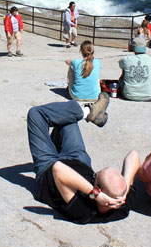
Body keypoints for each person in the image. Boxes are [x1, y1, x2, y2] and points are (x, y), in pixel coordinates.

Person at [26, 95, 141, 224]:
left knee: (36, 114)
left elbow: (58, 169)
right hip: (79, 161)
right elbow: (134, 155)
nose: (94, 175)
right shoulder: (122, 207)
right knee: (66, 116)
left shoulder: (83, 212)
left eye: (96, 175)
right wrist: (124, 189)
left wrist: (95, 194)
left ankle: (86, 112)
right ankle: (87, 112)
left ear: (98, 189)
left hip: (48, 171)